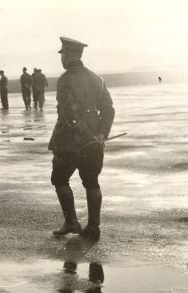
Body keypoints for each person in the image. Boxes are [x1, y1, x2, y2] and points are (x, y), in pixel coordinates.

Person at [49, 37, 115, 242]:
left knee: (59, 179)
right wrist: (101, 134)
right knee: (92, 182)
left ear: (67, 55)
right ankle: (93, 227)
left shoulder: (65, 80)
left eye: (63, 54)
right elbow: (109, 110)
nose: (62, 58)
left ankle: (71, 222)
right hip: (94, 142)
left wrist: (89, 135)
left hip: (69, 142)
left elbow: (70, 114)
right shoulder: (97, 79)